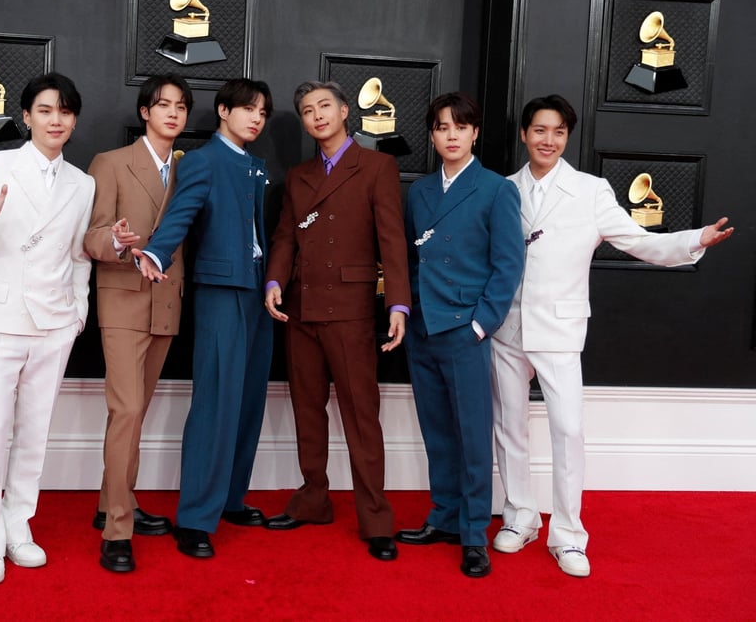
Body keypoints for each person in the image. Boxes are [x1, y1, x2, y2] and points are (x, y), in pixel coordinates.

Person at [490, 94, 734, 578]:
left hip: (561, 326)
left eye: (558, 132)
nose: (549, 140)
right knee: (508, 426)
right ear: (524, 134)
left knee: (568, 431)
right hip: (506, 326)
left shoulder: (591, 191)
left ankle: (567, 535)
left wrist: (693, 241)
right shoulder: (500, 190)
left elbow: (639, 241)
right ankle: (519, 516)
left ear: (566, 137)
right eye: (540, 130)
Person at [0, 73, 94, 585]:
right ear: (27, 116)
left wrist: (78, 313)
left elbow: (79, 257)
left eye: (66, 112)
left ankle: (17, 525)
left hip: (54, 324)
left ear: (74, 120)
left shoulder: (84, 183)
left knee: (34, 435)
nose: (57, 120)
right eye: (47, 110)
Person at [262, 80, 410, 561]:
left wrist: (399, 305)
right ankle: (313, 500)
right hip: (300, 309)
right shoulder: (299, 174)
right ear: (303, 121)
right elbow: (285, 237)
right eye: (307, 110)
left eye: (325, 106)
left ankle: (376, 519)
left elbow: (392, 240)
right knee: (308, 411)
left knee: (361, 418)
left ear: (345, 111)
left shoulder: (378, 166)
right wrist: (273, 281)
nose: (317, 116)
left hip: (351, 312)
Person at [133, 78, 274, 559]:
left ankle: (231, 498)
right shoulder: (202, 161)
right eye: (248, 110)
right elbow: (180, 214)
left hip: (257, 294)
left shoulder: (255, 165)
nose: (256, 118)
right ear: (222, 111)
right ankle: (194, 518)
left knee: (249, 400)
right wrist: (156, 251)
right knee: (216, 402)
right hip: (220, 292)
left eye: (263, 113)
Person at [395, 92, 524, 578]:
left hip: (465, 329)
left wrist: (479, 324)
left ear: (474, 133)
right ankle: (444, 517)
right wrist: (406, 312)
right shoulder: (421, 191)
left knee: (472, 435)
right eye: (441, 127)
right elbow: (410, 258)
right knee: (438, 431)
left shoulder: (495, 190)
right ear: (432, 135)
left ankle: (474, 534)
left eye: (459, 127)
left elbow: (508, 264)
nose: (450, 135)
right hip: (424, 327)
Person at [84, 74, 194, 573]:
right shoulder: (110, 163)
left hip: (166, 301)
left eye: (181, 106)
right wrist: (117, 240)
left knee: (134, 412)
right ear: (145, 112)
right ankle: (117, 529)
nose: (172, 113)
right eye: (162, 104)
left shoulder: (190, 168)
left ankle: (111, 500)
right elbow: (91, 236)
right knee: (127, 411)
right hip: (125, 300)